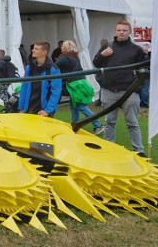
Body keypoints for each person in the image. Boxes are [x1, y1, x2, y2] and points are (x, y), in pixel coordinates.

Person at [92, 21, 147, 156]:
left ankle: (139, 150)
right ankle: (109, 147)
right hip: (109, 90)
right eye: (119, 30)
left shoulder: (136, 50)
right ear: (116, 31)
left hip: (130, 91)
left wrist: (137, 88)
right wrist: (102, 55)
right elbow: (96, 63)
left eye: (124, 30)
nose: (121, 32)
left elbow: (145, 70)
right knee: (109, 121)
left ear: (129, 32)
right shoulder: (107, 47)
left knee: (132, 122)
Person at [55, 40, 101, 134]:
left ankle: (98, 125)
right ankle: (74, 125)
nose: (61, 48)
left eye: (63, 46)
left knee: (80, 106)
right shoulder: (75, 56)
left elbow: (54, 66)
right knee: (74, 106)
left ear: (67, 48)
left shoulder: (65, 57)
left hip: (74, 84)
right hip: (80, 83)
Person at [18, 40, 63, 117]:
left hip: (43, 111)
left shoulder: (53, 69)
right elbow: (24, 87)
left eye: (36, 49)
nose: (33, 50)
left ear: (44, 52)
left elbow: (56, 91)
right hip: (28, 108)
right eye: (33, 48)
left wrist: (48, 110)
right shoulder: (30, 67)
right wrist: (21, 107)